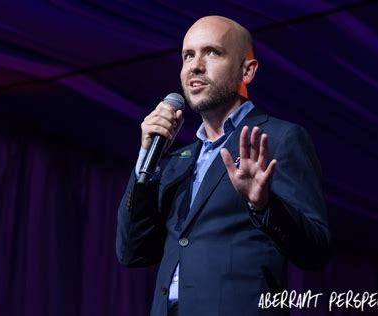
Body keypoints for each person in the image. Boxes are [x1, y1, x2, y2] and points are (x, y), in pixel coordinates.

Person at [116, 15, 331, 316]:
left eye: (212, 52)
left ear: (247, 70)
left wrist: (264, 205)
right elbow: (132, 252)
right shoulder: (176, 162)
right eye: (188, 55)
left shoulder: (279, 138)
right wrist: (145, 158)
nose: (195, 65)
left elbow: (316, 250)